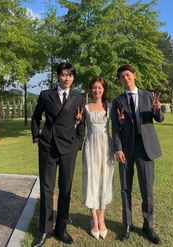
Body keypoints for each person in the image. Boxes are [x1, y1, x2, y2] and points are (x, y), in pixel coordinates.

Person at [31, 62, 85, 246]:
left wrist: (78, 142)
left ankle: (61, 229)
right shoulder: (46, 95)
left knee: (66, 189)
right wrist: (36, 137)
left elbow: (82, 123)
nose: (66, 78)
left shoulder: (79, 97)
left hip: (69, 148)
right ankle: (44, 230)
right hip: (48, 146)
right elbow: (35, 118)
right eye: (63, 75)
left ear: (73, 77)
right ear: (58, 76)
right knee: (47, 189)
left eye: (70, 75)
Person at [111, 64, 164, 245]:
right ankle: (127, 225)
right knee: (125, 188)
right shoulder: (118, 101)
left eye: (127, 75)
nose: (125, 79)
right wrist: (118, 149)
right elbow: (115, 128)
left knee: (147, 189)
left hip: (146, 148)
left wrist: (157, 109)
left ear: (134, 75)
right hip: (126, 149)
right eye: (121, 77)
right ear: (120, 80)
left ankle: (148, 226)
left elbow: (160, 118)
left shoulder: (149, 96)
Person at [82, 76, 114, 240]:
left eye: (99, 87)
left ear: (104, 89)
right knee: (91, 181)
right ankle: (94, 220)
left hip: (106, 147)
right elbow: (79, 126)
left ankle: (102, 219)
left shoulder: (110, 106)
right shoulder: (86, 107)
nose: (97, 90)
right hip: (90, 147)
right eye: (94, 87)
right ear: (91, 89)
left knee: (104, 180)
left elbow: (117, 127)